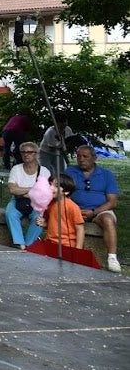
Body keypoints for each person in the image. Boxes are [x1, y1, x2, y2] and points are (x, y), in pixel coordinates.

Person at [64, 144, 120, 272]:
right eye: (78, 156)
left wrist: (94, 212)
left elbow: (112, 202)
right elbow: (63, 194)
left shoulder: (106, 174)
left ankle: (112, 258)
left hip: (99, 211)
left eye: (85, 156)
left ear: (94, 158)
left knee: (108, 220)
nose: (81, 159)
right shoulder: (70, 172)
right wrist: (75, 210)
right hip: (75, 210)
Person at [4, 142, 48, 250]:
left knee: (39, 218)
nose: (26, 154)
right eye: (23, 152)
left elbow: (44, 192)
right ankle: (20, 243)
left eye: (29, 152)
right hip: (17, 200)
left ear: (36, 154)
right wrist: (32, 189)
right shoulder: (16, 169)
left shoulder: (44, 171)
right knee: (10, 213)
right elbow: (12, 190)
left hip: (37, 202)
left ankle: (29, 244)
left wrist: (22, 190)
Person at [38, 174, 85, 251]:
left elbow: (80, 229)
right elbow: (51, 223)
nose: (50, 188)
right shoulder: (49, 204)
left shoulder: (72, 207)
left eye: (56, 186)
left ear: (66, 191)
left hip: (66, 245)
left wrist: (78, 250)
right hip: (50, 242)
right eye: (50, 184)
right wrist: (44, 224)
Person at [39, 113, 73, 177]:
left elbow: (70, 141)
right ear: (56, 123)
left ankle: (60, 182)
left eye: (65, 122)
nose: (63, 124)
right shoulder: (50, 132)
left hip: (59, 153)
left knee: (61, 171)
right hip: (46, 152)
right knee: (46, 171)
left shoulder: (68, 129)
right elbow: (51, 147)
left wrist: (67, 147)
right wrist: (63, 148)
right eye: (61, 122)